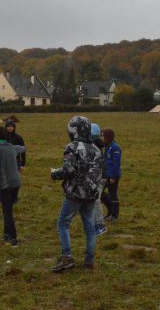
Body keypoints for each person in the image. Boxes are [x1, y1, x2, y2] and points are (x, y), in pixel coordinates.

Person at [51, 116, 102, 272]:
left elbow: (68, 170)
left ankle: (67, 257)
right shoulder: (96, 149)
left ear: (74, 130)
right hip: (92, 194)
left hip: (75, 193)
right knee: (90, 228)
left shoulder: (72, 147)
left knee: (63, 223)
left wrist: (54, 173)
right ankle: (89, 261)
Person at [0, 126, 27, 247]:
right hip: (16, 184)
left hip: (5, 185)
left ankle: (12, 238)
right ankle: (6, 234)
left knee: (7, 212)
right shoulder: (11, 147)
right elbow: (22, 148)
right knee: (7, 209)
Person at [101, 128, 122, 223]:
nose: (101, 137)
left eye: (103, 135)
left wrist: (113, 176)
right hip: (106, 175)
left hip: (113, 175)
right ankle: (110, 211)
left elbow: (116, 163)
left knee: (113, 195)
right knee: (100, 193)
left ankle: (114, 215)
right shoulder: (106, 146)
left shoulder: (115, 148)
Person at [91, 123, 107, 236]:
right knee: (93, 200)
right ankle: (94, 223)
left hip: (99, 176)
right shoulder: (98, 144)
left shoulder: (94, 146)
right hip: (100, 175)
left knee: (96, 200)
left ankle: (100, 226)